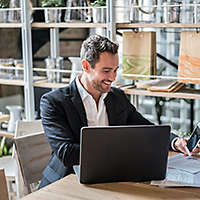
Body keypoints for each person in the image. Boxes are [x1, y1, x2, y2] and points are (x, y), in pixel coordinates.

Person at [39, 34, 200, 188]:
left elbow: (145, 128)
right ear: (86, 66)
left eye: (116, 70)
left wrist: (175, 142)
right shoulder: (54, 102)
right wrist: (122, 151)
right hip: (67, 181)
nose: (113, 77)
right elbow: (66, 152)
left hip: (110, 179)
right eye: (106, 71)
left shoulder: (116, 97)